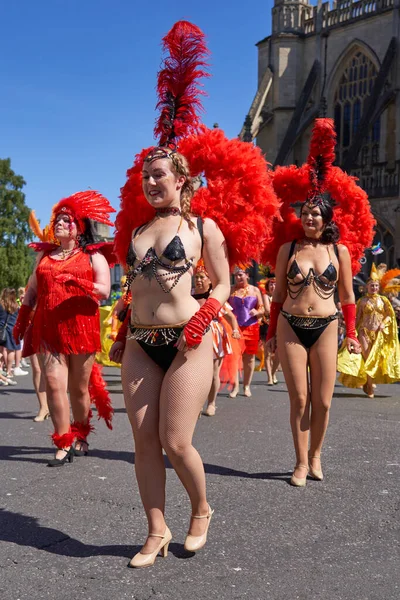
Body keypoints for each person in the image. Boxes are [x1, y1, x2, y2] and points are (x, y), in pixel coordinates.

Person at [110, 21, 280, 568]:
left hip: (189, 340)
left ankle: (201, 509)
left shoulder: (203, 227)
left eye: (160, 176)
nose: (151, 183)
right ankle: (155, 530)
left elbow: (227, 281)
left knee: (176, 441)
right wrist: (122, 311)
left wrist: (209, 309)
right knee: (142, 442)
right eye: (145, 177)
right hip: (141, 341)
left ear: (182, 180)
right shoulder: (137, 234)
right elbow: (131, 285)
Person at [266, 118, 374, 487]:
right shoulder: (288, 249)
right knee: (299, 399)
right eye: (305, 212)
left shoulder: (338, 250)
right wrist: (269, 334)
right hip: (291, 326)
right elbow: (278, 295)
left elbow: (347, 296)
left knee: (323, 402)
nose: (310, 217)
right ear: (299, 216)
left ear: (327, 217)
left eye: (317, 212)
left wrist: (353, 333)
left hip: (327, 325)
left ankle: (316, 456)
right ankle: (298, 462)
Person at [13, 191, 115, 466]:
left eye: (66, 219)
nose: (59, 222)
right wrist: (22, 321)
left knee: (79, 389)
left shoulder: (93, 256)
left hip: (82, 328)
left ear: (78, 227)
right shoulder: (44, 257)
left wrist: (80, 283)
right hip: (50, 329)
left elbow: (104, 290)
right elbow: (32, 292)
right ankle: (63, 440)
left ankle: (81, 432)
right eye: (57, 218)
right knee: (55, 383)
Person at [337, 264, 400, 396]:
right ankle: (370, 386)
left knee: (374, 359)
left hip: (378, 335)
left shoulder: (384, 301)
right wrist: (352, 333)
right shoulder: (362, 301)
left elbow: (390, 315)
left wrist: (383, 323)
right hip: (364, 332)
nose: (374, 287)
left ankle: (367, 382)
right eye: (372, 285)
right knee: (367, 358)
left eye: (376, 285)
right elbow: (357, 317)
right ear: (367, 287)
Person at [193, 260, 241, 416]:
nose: (199, 280)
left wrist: (235, 330)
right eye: (196, 277)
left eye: (202, 277)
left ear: (209, 279)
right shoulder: (190, 295)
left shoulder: (215, 296)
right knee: (195, 373)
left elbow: (231, 316)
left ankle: (212, 403)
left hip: (214, 335)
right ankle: (196, 404)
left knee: (214, 372)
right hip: (194, 335)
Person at [228, 267, 264, 398]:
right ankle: (235, 386)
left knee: (249, 358)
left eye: (240, 275)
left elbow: (262, 308)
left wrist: (258, 312)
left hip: (251, 326)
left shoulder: (255, 290)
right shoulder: (231, 290)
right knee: (234, 357)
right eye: (236, 275)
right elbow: (224, 307)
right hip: (234, 328)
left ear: (247, 275)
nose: (238, 278)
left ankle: (246, 385)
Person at [0, 288, 28, 378]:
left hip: (1, 329)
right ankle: (8, 371)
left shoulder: (1, 304)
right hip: (12, 329)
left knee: (2, 349)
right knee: (10, 351)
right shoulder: (16, 306)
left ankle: (1, 368)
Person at [261, 276, 280, 385]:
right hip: (267, 326)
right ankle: (269, 378)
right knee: (267, 353)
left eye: (275, 284)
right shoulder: (266, 296)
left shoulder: (284, 296)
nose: (273, 286)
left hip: (280, 326)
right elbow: (268, 310)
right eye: (271, 284)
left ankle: (273, 374)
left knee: (279, 354)